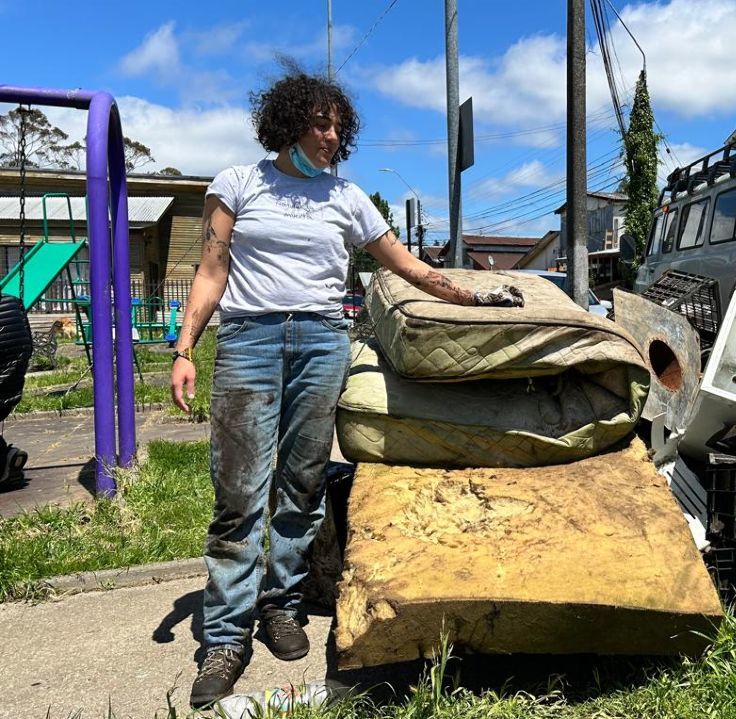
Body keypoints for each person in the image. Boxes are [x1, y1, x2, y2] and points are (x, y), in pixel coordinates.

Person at [170, 69, 522, 708]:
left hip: (324, 342)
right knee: (239, 490)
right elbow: (211, 268)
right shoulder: (237, 184)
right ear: (288, 122)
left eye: (339, 126)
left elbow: (409, 266)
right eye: (320, 123)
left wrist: (472, 295)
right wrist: (185, 347)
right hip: (248, 343)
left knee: (302, 485)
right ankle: (224, 636)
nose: (332, 136)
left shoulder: (349, 198)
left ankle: (281, 605)